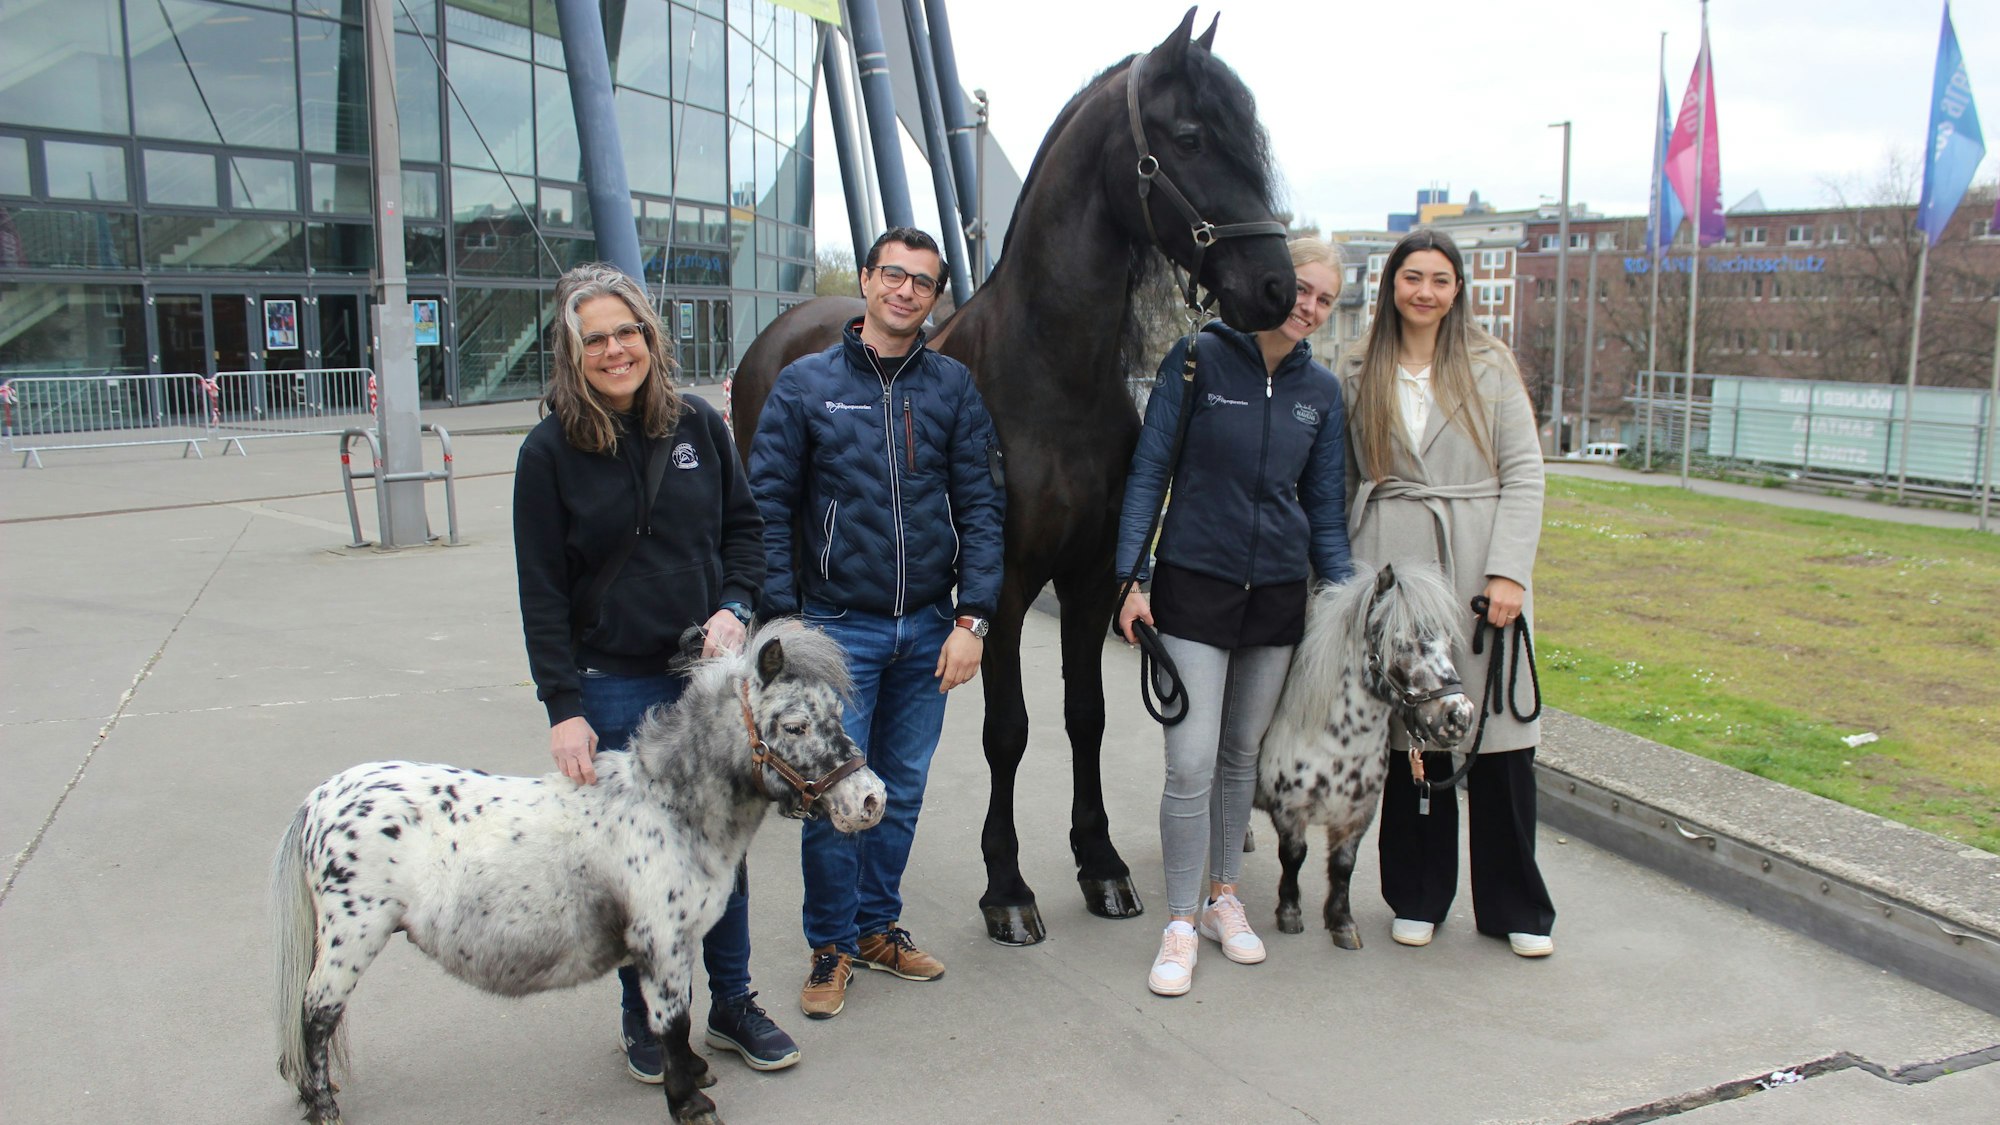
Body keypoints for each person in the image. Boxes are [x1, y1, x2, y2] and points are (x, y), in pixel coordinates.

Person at [513, 263, 800, 1079]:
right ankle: (646, 1015)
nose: (614, 350)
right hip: (613, 683)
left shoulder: (699, 427)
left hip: (707, 682)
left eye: (626, 332)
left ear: (650, 337)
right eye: (594, 338)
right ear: (574, 354)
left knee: (723, 852)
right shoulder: (548, 453)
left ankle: (734, 1002)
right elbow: (541, 592)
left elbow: (745, 533)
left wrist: (736, 605)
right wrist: (563, 705)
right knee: (637, 867)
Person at [748, 227, 1005, 1020]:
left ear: (934, 297)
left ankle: (874, 927)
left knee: (903, 786)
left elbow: (984, 506)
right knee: (834, 795)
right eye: (892, 274)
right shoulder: (804, 386)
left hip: (929, 627)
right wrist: (785, 626)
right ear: (866, 281)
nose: (905, 291)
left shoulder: (953, 388)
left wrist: (976, 617)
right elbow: (765, 510)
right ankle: (829, 944)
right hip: (835, 630)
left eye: (922, 282)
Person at [1115, 237, 1353, 997]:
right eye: (1302, 290)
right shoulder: (1197, 360)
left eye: (1326, 299)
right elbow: (1151, 469)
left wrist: (1344, 602)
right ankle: (1179, 920)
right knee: (1189, 760)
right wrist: (1130, 575)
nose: (1309, 307)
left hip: (1278, 594)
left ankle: (1224, 896)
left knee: (1239, 757)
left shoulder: (1322, 393)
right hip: (1195, 584)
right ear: (1273, 285)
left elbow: (1324, 511)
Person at [1340, 228, 1556, 958]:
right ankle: (1418, 892)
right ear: (1391, 285)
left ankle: (1514, 902)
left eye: (1439, 278)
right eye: (1411, 277)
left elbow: (1525, 473)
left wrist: (1509, 571)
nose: (1424, 291)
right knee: (1411, 735)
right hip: (1393, 564)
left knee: (1495, 736)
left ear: (1457, 288)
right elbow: (1338, 479)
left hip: (1472, 561)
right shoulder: (1361, 367)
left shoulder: (1491, 366)